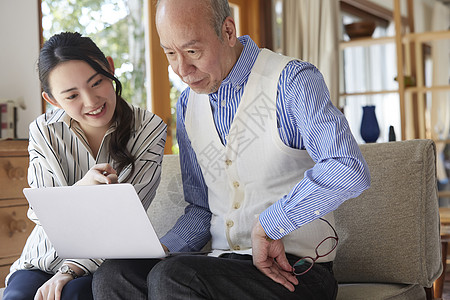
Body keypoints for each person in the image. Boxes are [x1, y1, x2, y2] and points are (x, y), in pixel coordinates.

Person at [92, 0, 371, 299]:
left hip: (295, 270)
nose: (181, 70)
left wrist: (270, 224)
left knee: (174, 277)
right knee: (115, 273)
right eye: (170, 53)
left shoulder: (292, 81)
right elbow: (200, 207)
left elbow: (347, 168)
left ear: (227, 31)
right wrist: (161, 249)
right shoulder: (187, 105)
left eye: (192, 52)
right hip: (221, 266)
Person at [3, 32, 167, 300]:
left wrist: (69, 270)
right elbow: (42, 212)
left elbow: (125, 221)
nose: (91, 102)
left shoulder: (148, 129)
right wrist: (83, 188)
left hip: (107, 264)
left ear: (110, 69)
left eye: (97, 82)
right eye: (71, 95)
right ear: (53, 100)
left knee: (72, 296)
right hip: (43, 257)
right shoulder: (44, 131)